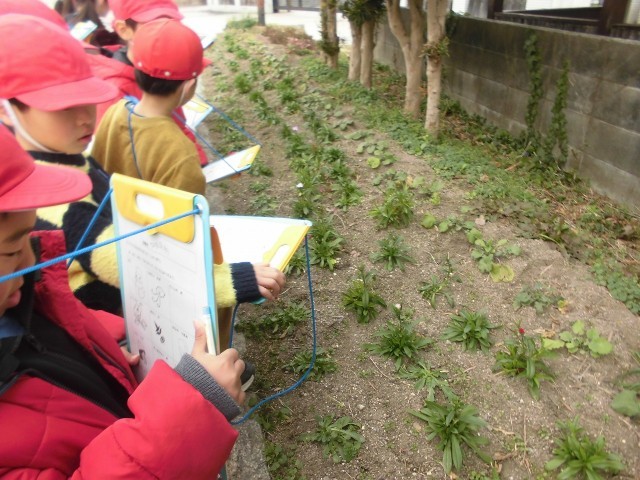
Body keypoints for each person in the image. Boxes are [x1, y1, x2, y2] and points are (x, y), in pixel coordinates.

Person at [0, 15, 284, 331]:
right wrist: (231, 279)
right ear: (5, 109)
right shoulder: (49, 200)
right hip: (113, 323)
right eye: (63, 107)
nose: (85, 118)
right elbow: (129, 262)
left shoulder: (71, 155)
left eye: (89, 100)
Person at [0, 124, 245, 478]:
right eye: (11, 250)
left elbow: (60, 322)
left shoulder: (20, 293)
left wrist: (105, 345)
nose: (30, 260)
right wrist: (196, 402)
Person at [89, 0, 210, 166]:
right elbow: (117, 161)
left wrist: (201, 163)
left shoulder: (161, 70)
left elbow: (179, 125)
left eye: (171, 22)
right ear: (123, 29)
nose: (167, 32)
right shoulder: (113, 92)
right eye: (153, 24)